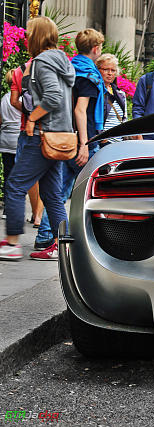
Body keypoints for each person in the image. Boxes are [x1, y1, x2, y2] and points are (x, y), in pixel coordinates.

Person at [0, 16, 75, 261]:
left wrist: (32, 118)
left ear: (38, 35)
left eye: (29, 32)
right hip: (58, 137)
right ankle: (63, 245)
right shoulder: (62, 60)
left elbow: (52, 97)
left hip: (42, 136)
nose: (25, 36)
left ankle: (11, 244)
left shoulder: (42, 62)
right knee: (52, 194)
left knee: (14, 186)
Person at [34, 28, 105, 251]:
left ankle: (46, 235)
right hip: (83, 140)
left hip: (64, 136)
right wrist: (84, 144)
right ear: (95, 49)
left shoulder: (69, 68)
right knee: (93, 192)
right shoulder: (89, 76)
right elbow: (80, 110)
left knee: (59, 190)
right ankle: (82, 238)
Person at [11, 58, 44, 227]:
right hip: (51, 131)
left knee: (26, 178)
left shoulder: (20, 70)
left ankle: (35, 215)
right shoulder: (58, 66)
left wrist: (30, 115)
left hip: (27, 129)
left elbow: (14, 101)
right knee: (51, 180)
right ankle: (44, 225)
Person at [1, 70, 22, 218]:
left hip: (5, 140)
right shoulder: (21, 99)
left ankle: (7, 210)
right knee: (19, 177)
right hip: (18, 139)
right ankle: (14, 210)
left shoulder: (4, 99)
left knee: (8, 173)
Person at [96, 53, 127, 145]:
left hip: (119, 143)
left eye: (113, 70)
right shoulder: (96, 92)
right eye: (106, 69)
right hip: (103, 143)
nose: (110, 73)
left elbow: (124, 119)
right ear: (98, 70)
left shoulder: (120, 94)